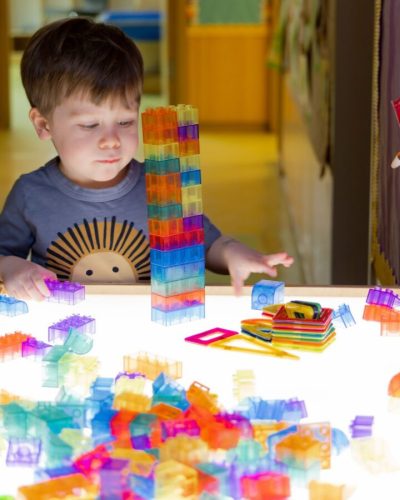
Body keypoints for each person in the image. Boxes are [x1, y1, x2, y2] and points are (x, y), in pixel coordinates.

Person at [0, 17, 293, 301]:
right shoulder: (29, 194)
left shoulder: (161, 186)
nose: (112, 139)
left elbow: (207, 245)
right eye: (90, 125)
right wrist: (10, 267)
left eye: (125, 122)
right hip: (66, 338)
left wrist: (233, 255)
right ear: (43, 125)